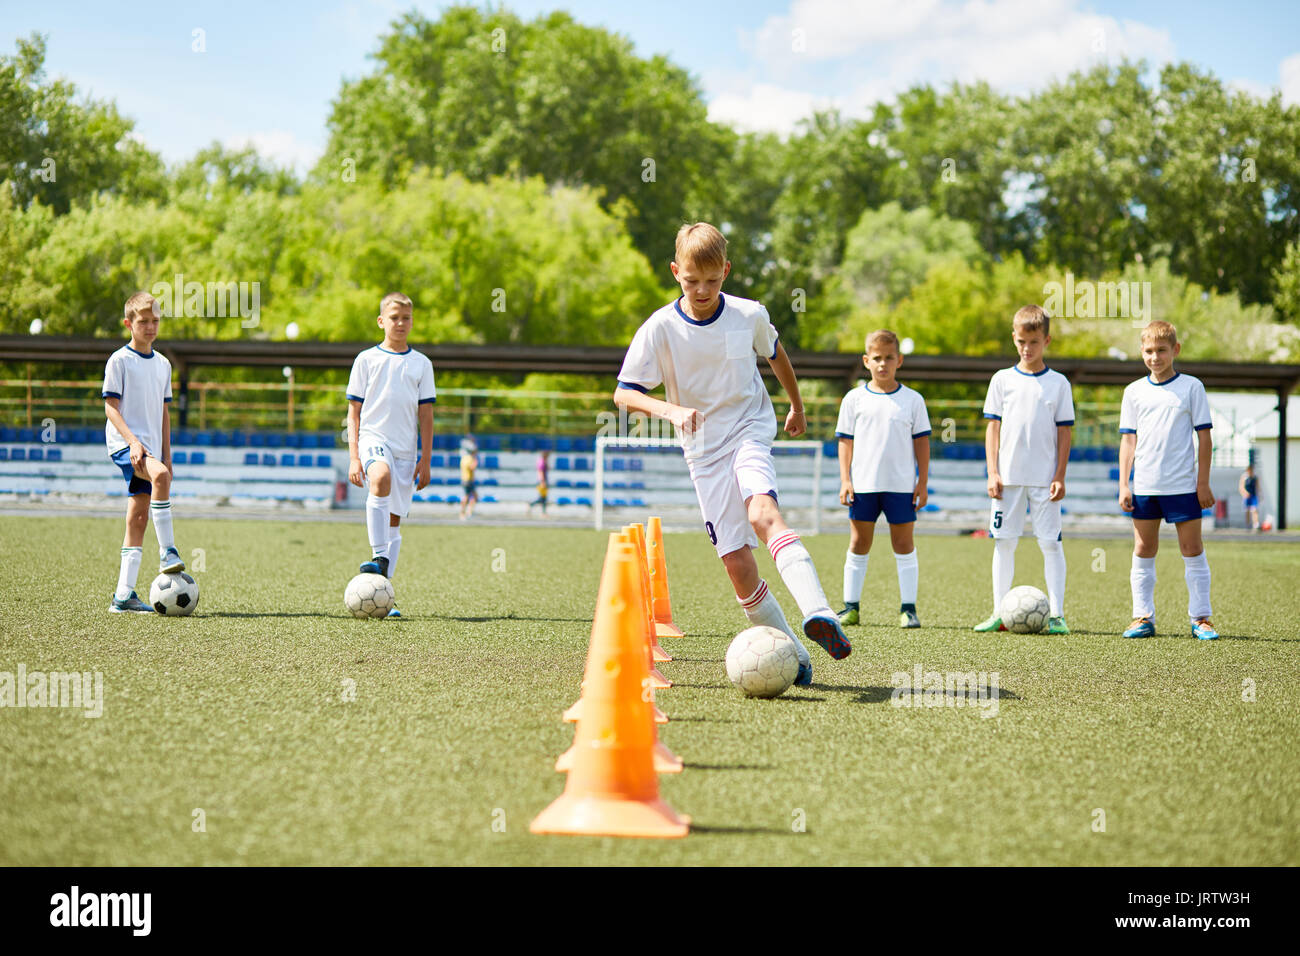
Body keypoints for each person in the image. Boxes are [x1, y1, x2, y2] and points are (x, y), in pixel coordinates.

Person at [613, 222, 850, 686]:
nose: (702, 291)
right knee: (738, 564)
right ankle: (797, 657)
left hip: (748, 431)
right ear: (675, 271)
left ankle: (820, 612)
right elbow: (624, 393)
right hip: (702, 452)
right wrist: (670, 409)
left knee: (764, 513)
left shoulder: (749, 314)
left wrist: (796, 406)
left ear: (726, 271)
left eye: (712, 281)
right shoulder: (660, 328)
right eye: (691, 281)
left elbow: (776, 354)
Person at [974, 305, 1074, 634]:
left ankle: (1057, 615)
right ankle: (999, 612)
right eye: (1020, 342)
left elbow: (1064, 431)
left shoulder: (1058, 383)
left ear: (1046, 340)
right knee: (1004, 542)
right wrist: (993, 471)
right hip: (1008, 479)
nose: (1026, 349)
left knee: (1051, 544)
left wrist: (1059, 475)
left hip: (1045, 481)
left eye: (1033, 341)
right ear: (1013, 340)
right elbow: (992, 429)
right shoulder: (1002, 380)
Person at [1118, 321, 1218, 640]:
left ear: (1175, 350)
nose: (1155, 357)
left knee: (1192, 548)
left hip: (1184, 487)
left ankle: (1201, 618)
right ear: (1141, 353)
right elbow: (1128, 441)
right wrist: (1124, 484)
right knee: (1144, 548)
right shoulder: (1133, 392)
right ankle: (1142, 617)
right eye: (1148, 351)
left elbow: (1205, 438)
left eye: (1161, 350)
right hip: (1145, 487)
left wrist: (1203, 483)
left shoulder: (1192, 387)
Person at [346, 292, 435, 617]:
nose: (401, 323)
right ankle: (378, 556)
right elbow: (353, 412)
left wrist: (425, 459)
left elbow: (426, 415)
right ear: (382, 321)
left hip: (406, 450)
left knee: (394, 520)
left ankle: (384, 590)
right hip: (374, 439)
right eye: (394, 317)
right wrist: (355, 457)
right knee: (379, 478)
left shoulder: (421, 364)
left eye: (406, 318)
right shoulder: (366, 359)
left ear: (412, 321)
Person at [835, 329, 931, 629]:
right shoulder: (854, 399)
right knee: (858, 542)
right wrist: (845, 480)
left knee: (904, 544)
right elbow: (845, 442)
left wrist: (922, 482)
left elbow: (922, 443)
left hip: (901, 486)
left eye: (889, 358)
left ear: (899, 360)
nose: (883, 364)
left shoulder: (913, 400)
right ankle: (850, 607)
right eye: (876, 358)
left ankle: (908, 609)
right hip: (863, 485)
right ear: (866, 360)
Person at [102, 292, 185, 612]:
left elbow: (164, 414)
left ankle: (123, 596)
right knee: (159, 476)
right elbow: (111, 408)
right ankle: (169, 553)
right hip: (125, 445)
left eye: (155, 321)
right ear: (128, 324)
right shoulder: (119, 360)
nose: (150, 327)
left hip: (150, 449)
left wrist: (167, 455)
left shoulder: (163, 364)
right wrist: (134, 442)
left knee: (137, 517)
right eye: (143, 321)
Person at [1239, 463, 1260, 531]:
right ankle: (1247, 524)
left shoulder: (1255, 477)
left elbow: (1258, 487)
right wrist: (1245, 493)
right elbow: (1241, 487)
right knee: (1247, 510)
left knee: (1254, 510)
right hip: (1247, 496)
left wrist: (1259, 495)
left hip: (1253, 496)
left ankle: (1256, 524)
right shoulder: (1244, 477)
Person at [459, 445, 478, 519]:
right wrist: (475, 462)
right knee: (468, 497)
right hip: (468, 480)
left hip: (466, 480)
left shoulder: (464, 458)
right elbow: (471, 468)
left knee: (473, 496)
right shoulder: (470, 458)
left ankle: (468, 512)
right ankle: (465, 513)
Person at [529, 450, 549, 514]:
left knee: (543, 498)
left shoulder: (543, 461)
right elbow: (541, 472)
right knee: (542, 498)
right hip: (542, 481)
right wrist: (542, 482)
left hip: (543, 481)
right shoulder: (542, 462)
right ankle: (531, 504)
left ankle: (543, 512)